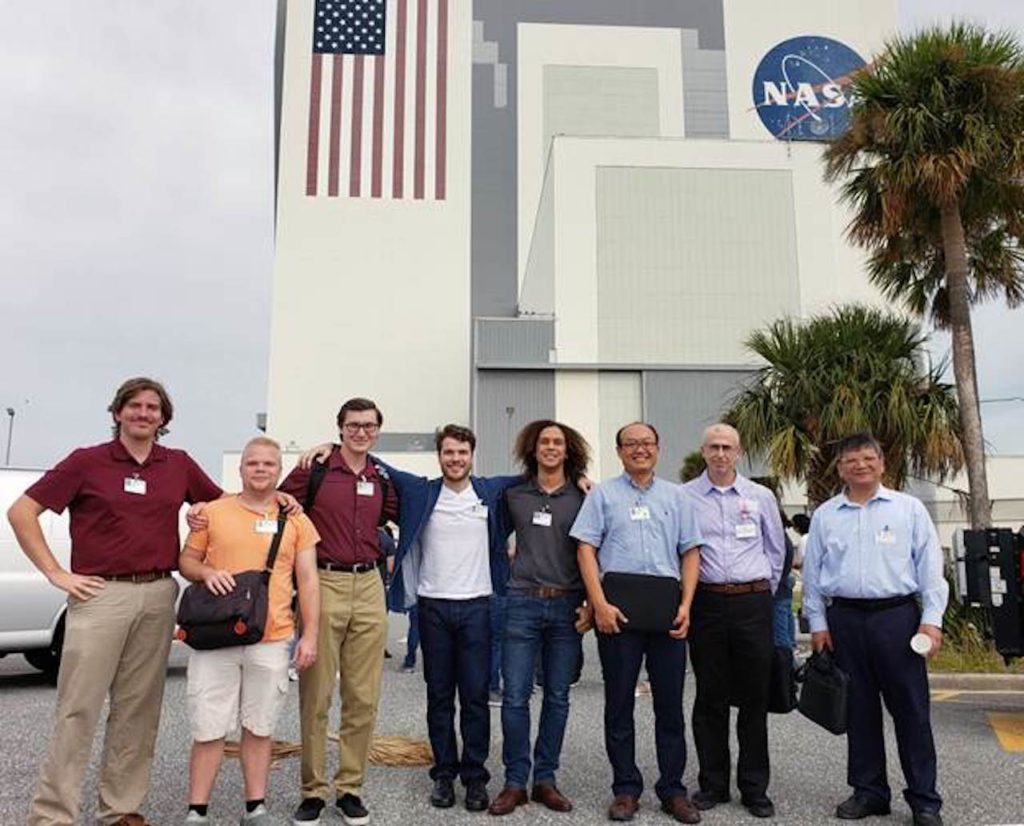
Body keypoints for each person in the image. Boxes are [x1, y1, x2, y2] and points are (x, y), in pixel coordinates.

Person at [7, 378, 223, 826]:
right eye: (135, 406)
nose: (143, 414)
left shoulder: (178, 464)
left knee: (138, 710)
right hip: (100, 595)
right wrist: (56, 573)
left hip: (159, 593)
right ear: (118, 412)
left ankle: (121, 809)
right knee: (77, 709)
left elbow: (227, 508)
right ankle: (52, 816)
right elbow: (21, 512)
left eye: (152, 408)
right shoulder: (87, 462)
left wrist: (208, 511)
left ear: (164, 418)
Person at [802, 432, 947, 826]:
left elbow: (931, 570)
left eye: (868, 458)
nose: (860, 465)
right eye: (851, 460)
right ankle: (869, 792)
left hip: (896, 619)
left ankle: (924, 799)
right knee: (860, 710)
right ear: (840, 468)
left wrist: (931, 621)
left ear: (882, 464)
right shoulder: (826, 515)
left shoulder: (908, 509)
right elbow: (813, 575)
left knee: (911, 711)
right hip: (845, 619)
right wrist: (817, 623)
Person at [179, 437, 321, 825]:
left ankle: (255, 808)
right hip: (215, 636)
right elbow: (186, 561)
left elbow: (308, 581)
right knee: (208, 727)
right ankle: (197, 811)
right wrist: (207, 572)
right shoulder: (214, 513)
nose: (261, 470)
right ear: (241, 469)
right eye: (253, 463)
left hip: (271, 637)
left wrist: (309, 636)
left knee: (260, 727)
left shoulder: (296, 519)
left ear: (279, 471)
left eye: (269, 464)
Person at [385, 424, 523, 813]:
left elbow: (538, 474)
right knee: (440, 695)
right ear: (439, 456)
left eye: (462, 452)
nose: (455, 459)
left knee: (476, 697)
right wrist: (328, 447)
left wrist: (580, 477)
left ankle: (475, 777)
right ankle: (444, 775)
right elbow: (380, 468)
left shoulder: (491, 491)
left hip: (479, 606)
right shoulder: (422, 491)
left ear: (471, 455)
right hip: (433, 608)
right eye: (448, 452)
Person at [571, 422, 703, 824]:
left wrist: (687, 605)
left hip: (666, 615)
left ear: (658, 450)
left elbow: (691, 551)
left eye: (647, 443)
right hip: (618, 615)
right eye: (631, 444)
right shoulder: (603, 496)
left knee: (670, 707)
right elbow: (585, 549)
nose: (640, 450)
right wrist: (599, 605)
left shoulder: (676, 497)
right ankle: (625, 788)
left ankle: (672, 789)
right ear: (619, 451)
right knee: (619, 705)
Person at [279, 398, 399, 826]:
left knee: (363, 696)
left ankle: (350, 787)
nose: (360, 432)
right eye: (353, 426)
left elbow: (406, 513)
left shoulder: (381, 478)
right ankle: (312, 791)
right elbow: (274, 501)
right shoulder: (314, 470)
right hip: (322, 583)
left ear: (377, 431)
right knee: (316, 695)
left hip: (369, 585)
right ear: (340, 428)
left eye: (368, 426)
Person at [681, 424, 785, 819]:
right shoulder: (684, 496)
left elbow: (776, 551)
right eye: (713, 447)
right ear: (703, 452)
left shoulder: (760, 496)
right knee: (710, 696)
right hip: (706, 603)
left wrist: (758, 591)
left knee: (755, 697)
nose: (720, 454)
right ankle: (713, 783)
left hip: (751, 602)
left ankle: (754, 787)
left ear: (739, 453)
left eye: (727, 447)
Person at [488, 420, 592, 816]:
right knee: (514, 697)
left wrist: (588, 603)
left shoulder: (583, 496)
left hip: (567, 606)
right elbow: (493, 542)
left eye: (558, 442)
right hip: (521, 603)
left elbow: (592, 552)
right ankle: (516, 782)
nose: (551, 447)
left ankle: (545, 778)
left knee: (558, 696)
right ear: (533, 449)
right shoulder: (513, 494)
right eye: (544, 442)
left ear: (568, 451)